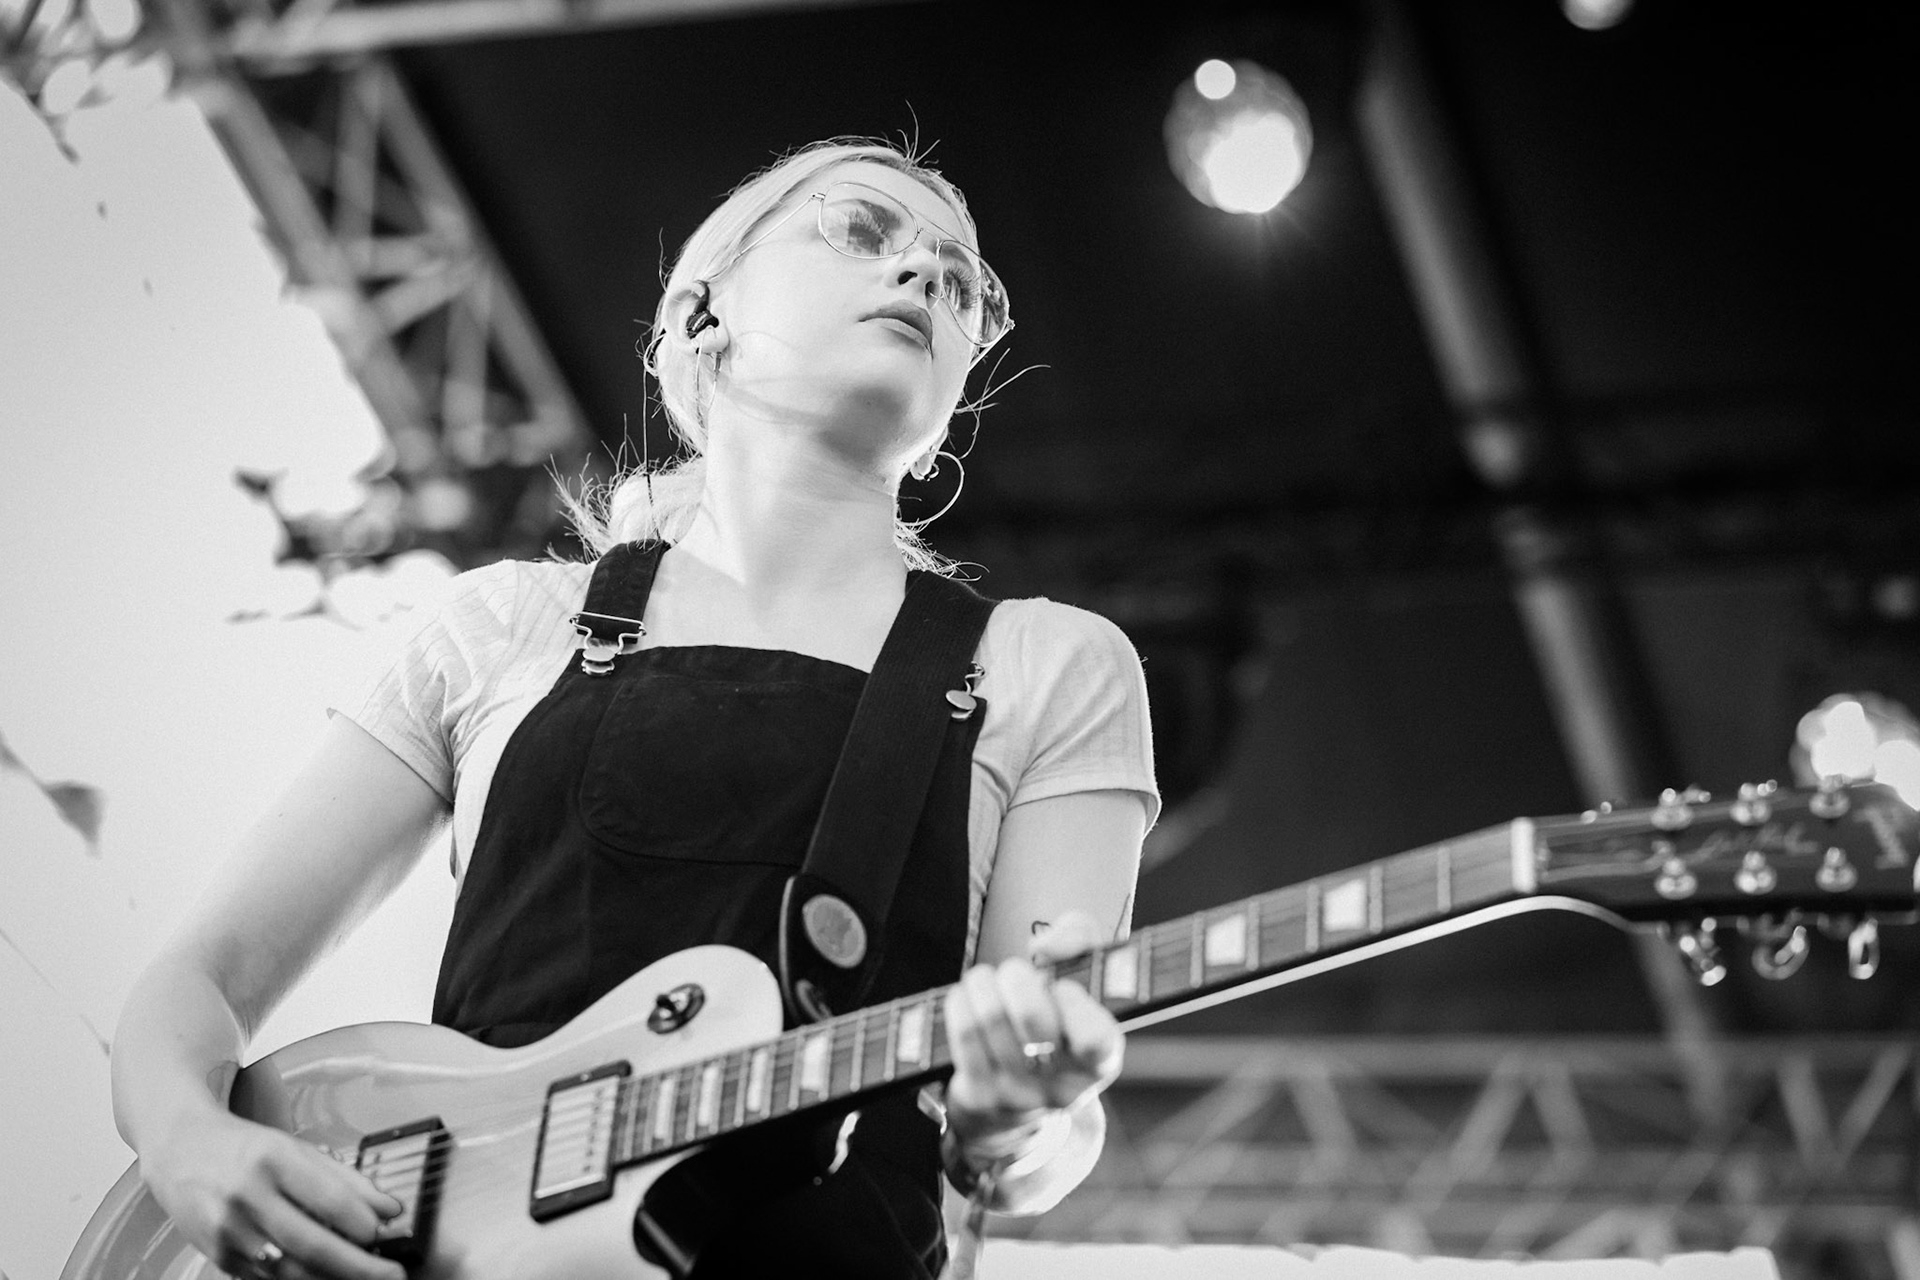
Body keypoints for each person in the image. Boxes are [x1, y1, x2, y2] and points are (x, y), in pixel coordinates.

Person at [109, 137, 1158, 1279]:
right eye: (864, 231)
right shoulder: (504, 624)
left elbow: (1037, 1134)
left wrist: (1026, 1113)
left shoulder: (1053, 666)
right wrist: (186, 1138)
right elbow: (201, 979)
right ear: (704, 313)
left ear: (955, 401)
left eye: (966, 287)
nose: (925, 278)